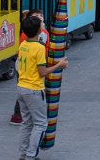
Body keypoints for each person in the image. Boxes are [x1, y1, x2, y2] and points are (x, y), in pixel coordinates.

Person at [15, 14, 67, 160]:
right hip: (34, 89)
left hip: (21, 87)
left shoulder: (23, 45)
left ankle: (23, 154)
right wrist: (59, 65)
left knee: (26, 123)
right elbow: (42, 72)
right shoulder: (38, 48)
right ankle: (31, 155)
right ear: (39, 30)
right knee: (41, 124)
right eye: (41, 24)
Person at [9, 9, 48, 125]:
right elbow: (41, 49)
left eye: (41, 15)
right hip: (31, 69)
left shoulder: (30, 36)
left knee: (24, 92)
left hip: (27, 67)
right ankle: (18, 115)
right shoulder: (39, 36)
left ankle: (21, 115)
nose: (40, 17)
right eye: (36, 16)